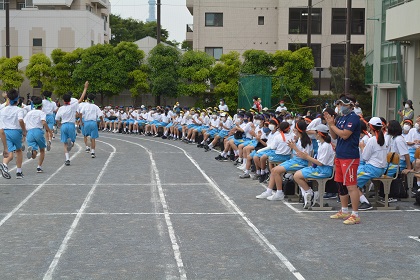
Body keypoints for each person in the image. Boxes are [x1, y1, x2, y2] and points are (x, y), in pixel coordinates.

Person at [324, 94, 361, 225]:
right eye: (339, 104)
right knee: (341, 184)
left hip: (349, 156)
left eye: (343, 104)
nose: (340, 107)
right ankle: (344, 210)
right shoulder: (341, 118)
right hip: (340, 155)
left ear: (350, 105)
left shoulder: (354, 118)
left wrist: (332, 125)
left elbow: (345, 135)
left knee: (351, 186)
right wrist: (330, 125)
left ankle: (355, 214)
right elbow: (334, 135)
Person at [256, 120, 313, 200]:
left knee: (276, 171)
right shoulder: (299, 139)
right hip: (294, 160)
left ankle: (279, 193)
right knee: (274, 170)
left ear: (298, 130)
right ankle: (268, 191)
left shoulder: (306, 141)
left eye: (294, 128)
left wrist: (294, 147)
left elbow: (305, 156)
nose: (293, 130)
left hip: (301, 163)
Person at [293, 124, 335, 209]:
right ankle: (310, 193)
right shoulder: (322, 144)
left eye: (315, 133)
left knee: (297, 176)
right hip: (320, 168)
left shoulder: (326, 146)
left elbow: (320, 163)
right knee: (298, 174)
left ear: (319, 134)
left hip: (324, 170)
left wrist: (307, 157)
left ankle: (309, 193)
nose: (314, 135)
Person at [356, 117, 388, 210]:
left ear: (370, 127)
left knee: (351, 182)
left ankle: (364, 202)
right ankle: (357, 197)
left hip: (372, 168)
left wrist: (362, 147)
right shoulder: (382, 139)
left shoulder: (372, 140)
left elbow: (365, 157)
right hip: (380, 168)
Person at [55, 81, 89, 166]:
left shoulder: (61, 108)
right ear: (70, 100)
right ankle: (72, 142)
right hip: (71, 125)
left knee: (65, 144)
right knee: (72, 142)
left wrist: (59, 124)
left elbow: (57, 119)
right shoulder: (72, 106)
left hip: (64, 125)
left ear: (63, 100)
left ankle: (67, 159)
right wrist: (85, 88)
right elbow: (81, 99)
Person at [0, 89, 27, 178]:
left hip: (5, 132)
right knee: (19, 151)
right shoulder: (19, 110)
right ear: (18, 99)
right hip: (16, 131)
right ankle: (19, 172)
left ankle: (4, 165)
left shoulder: (2, 110)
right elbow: (20, 120)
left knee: (9, 152)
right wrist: (24, 130)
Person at [24, 96, 52, 173]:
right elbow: (43, 122)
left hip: (29, 132)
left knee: (34, 153)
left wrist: (24, 132)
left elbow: (24, 122)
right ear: (41, 105)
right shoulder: (42, 113)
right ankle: (39, 167)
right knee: (42, 150)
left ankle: (32, 152)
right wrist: (49, 131)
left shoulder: (29, 113)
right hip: (38, 131)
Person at [79, 93, 104, 158]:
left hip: (86, 122)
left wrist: (81, 121)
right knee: (93, 138)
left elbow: (80, 113)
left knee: (85, 135)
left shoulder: (85, 106)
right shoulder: (96, 106)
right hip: (93, 123)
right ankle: (92, 152)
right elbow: (100, 115)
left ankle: (87, 146)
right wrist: (102, 121)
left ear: (87, 99)